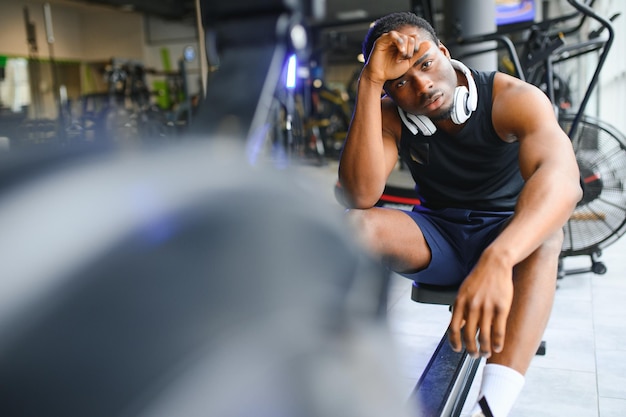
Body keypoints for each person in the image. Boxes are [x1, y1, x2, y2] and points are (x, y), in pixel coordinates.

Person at [337, 12, 582, 417]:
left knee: (546, 237)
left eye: (426, 64)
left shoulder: (510, 97)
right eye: (400, 81)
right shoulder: (388, 114)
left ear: (445, 53)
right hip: (440, 237)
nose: (422, 85)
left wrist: (499, 258)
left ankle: (491, 407)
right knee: (353, 225)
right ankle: (336, 375)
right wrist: (370, 83)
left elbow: (563, 179)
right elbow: (360, 194)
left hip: (509, 237)